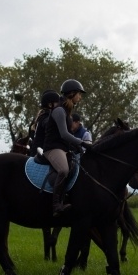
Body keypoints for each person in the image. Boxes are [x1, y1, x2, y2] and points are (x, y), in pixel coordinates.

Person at [42, 79, 90, 215]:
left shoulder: (66, 111)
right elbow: (64, 134)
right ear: (72, 93)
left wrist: (77, 147)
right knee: (63, 170)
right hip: (52, 148)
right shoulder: (59, 110)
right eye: (79, 94)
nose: (80, 97)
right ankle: (56, 205)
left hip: (63, 148)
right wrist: (81, 143)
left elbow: (68, 135)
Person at [28, 89, 60, 155]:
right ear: (50, 104)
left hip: (35, 150)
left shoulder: (39, 117)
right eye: (57, 103)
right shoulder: (46, 117)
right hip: (41, 152)